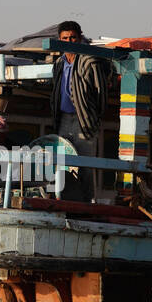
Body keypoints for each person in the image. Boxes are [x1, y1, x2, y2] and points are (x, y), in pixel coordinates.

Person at [50, 20, 111, 202]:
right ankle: (66, 200)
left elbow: (101, 93)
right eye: (65, 38)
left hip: (84, 120)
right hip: (63, 119)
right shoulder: (59, 63)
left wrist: (93, 118)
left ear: (80, 38)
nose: (69, 41)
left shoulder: (90, 60)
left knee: (84, 164)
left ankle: (86, 202)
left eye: (73, 38)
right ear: (59, 39)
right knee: (63, 163)